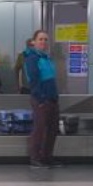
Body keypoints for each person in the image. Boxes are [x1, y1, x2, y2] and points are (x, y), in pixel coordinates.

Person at [24, 29, 61, 169]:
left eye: (46, 39)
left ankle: (47, 157)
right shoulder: (32, 58)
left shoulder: (47, 58)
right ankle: (35, 158)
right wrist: (40, 99)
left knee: (53, 129)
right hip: (41, 100)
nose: (43, 42)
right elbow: (34, 80)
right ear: (34, 42)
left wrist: (54, 97)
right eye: (40, 39)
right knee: (39, 129)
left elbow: (51, 80)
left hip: (52, 99)